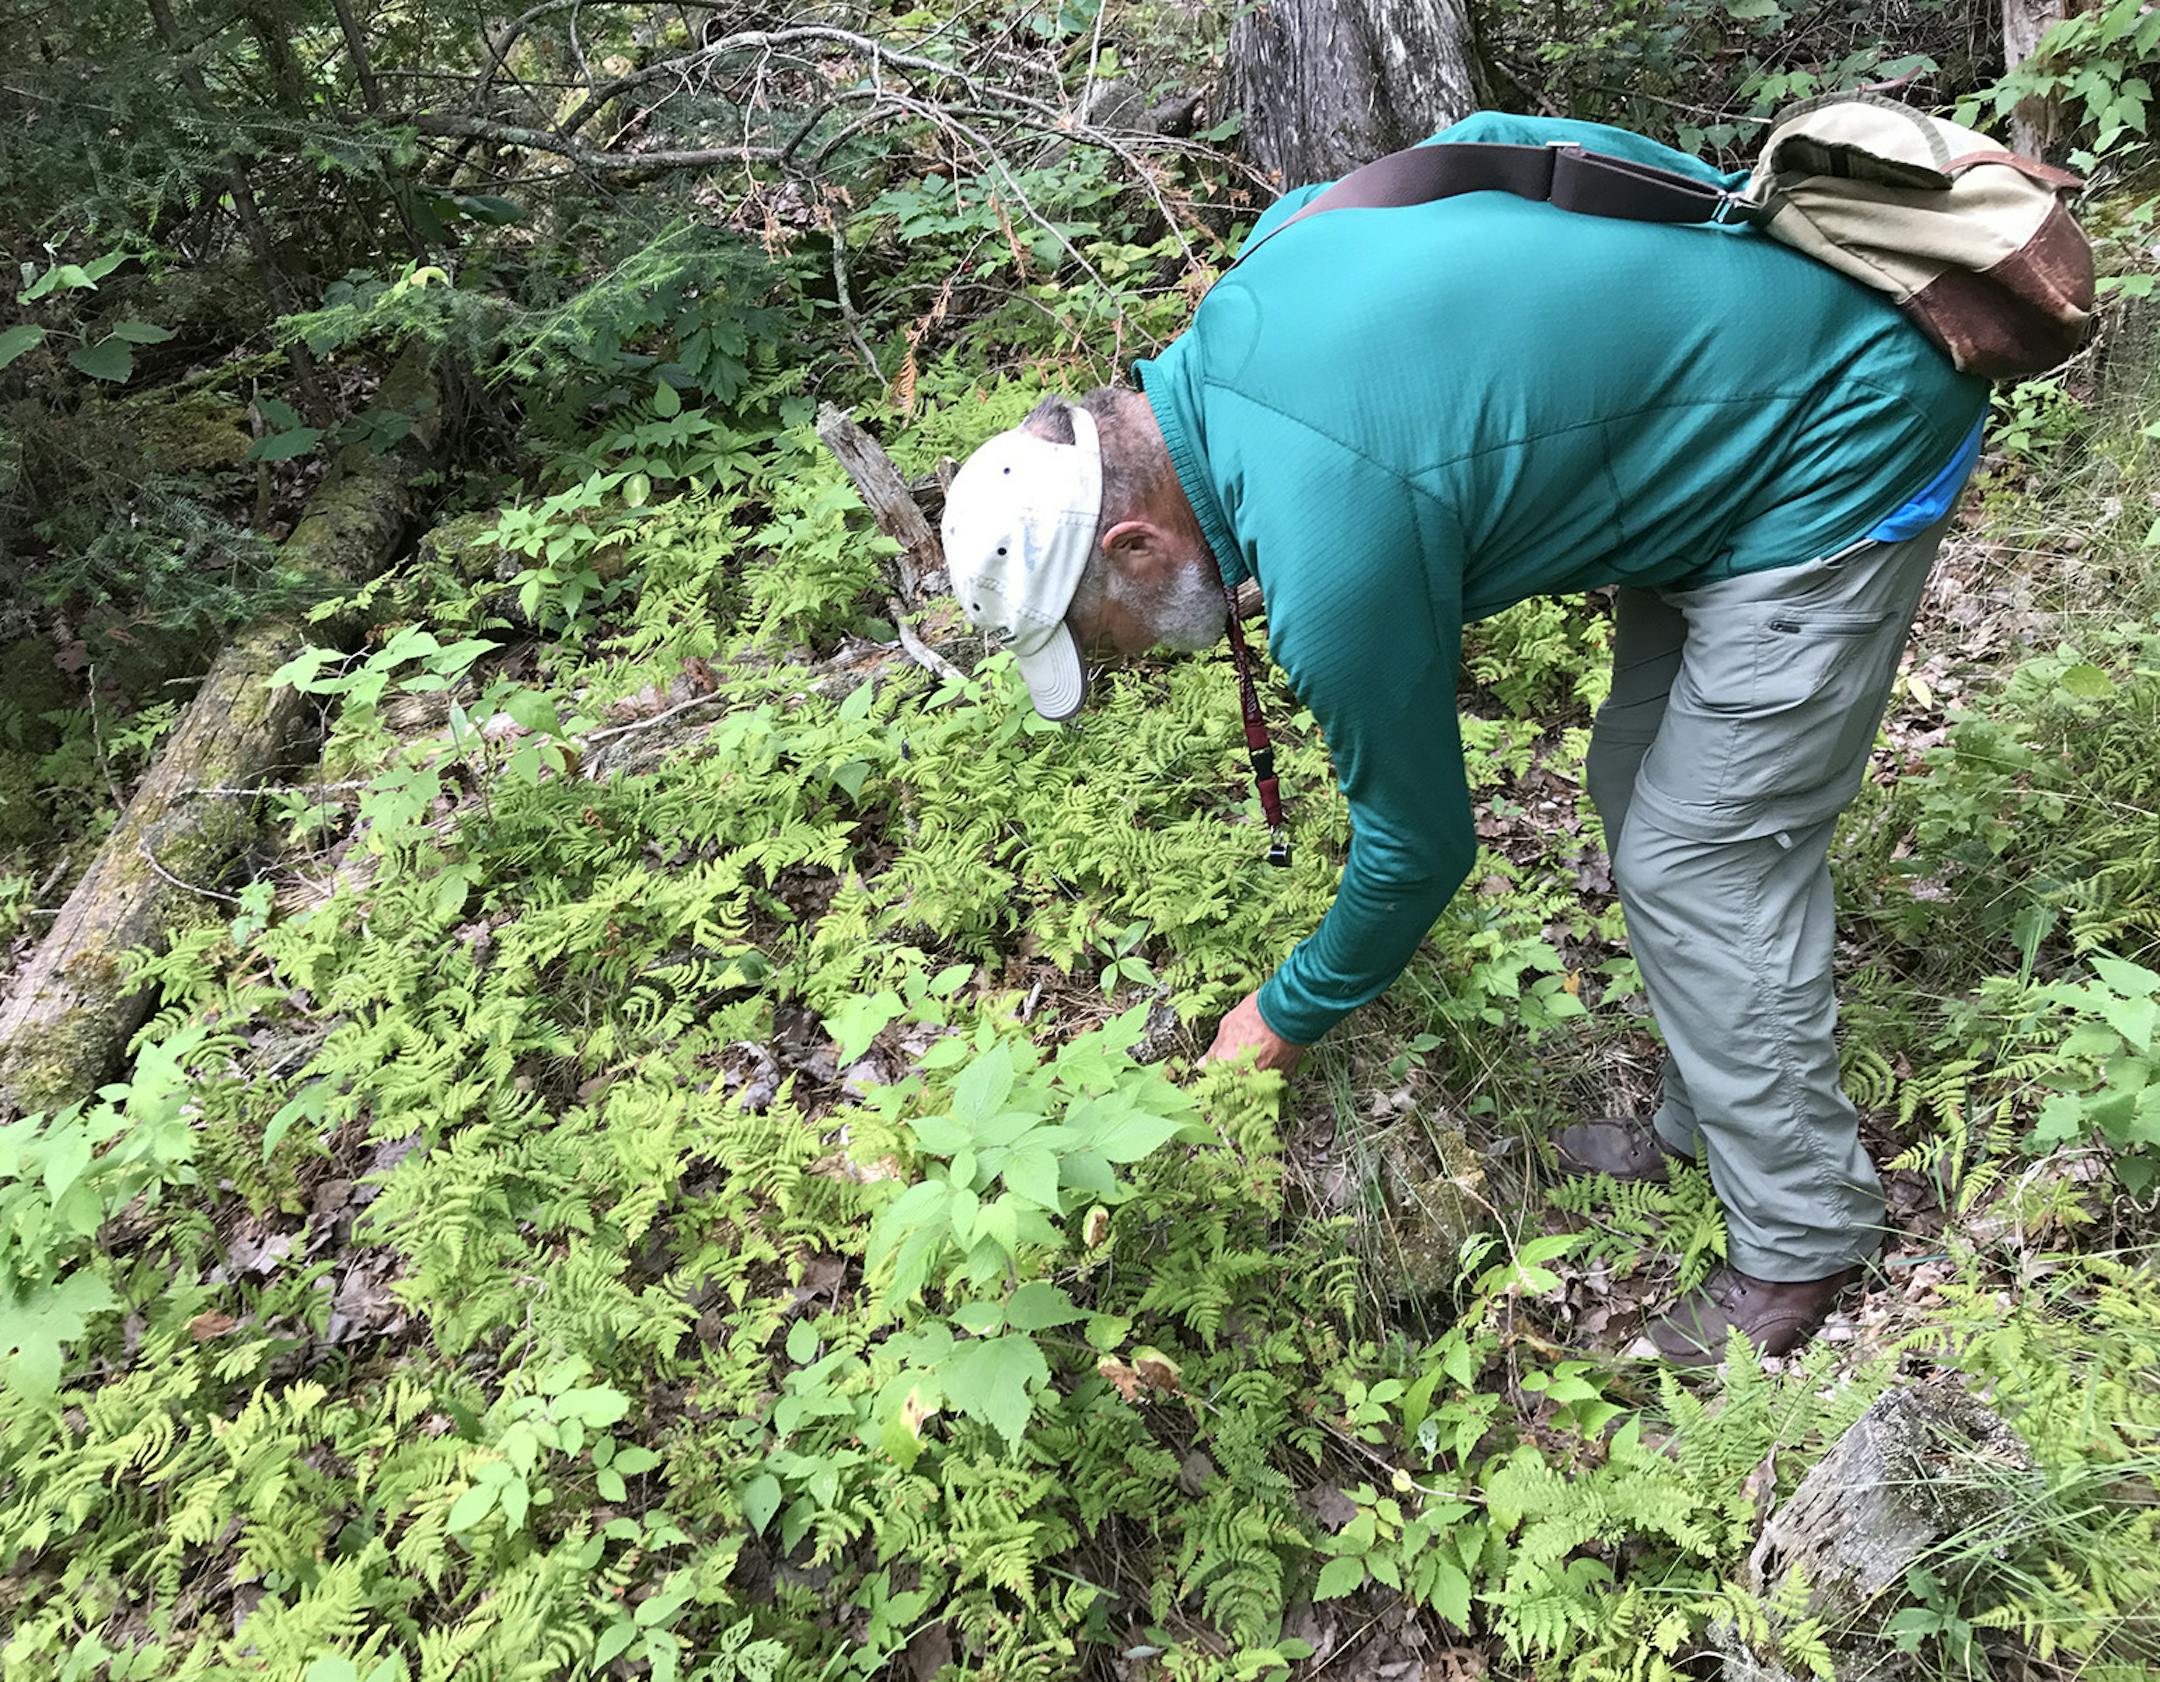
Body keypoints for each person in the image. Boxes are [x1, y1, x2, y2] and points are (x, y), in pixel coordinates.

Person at [935, 110, 1988, 1366]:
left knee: (1701, 857)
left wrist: (1281, 1013)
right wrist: (1722, 236)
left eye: (1094, 633)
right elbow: (1497, 142)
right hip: (1732, 416)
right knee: (1636, 785)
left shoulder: (1327, 548)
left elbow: (1421, 849)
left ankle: (1803, 1235)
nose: (1120, 658)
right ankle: (1711, 1118)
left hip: (1839, 432)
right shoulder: (1260, 283)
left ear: (1134, 544)